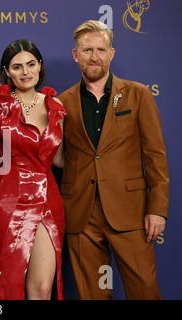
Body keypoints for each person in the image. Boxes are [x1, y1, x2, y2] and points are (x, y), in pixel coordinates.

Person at [58, 20, 169, 299]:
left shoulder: (138, 94)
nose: (94, 57)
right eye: (87, 50)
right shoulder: (62, 102)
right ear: (75, 55)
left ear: (111, 53)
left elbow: (155, 155)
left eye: (100, 49)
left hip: (130, 211)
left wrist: (157, 208)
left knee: (145, 290)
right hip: (82, 214)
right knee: (93, 294)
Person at [0, 39, 67, 300]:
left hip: (48, 199)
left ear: (40, 66)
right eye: (17, 67)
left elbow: (59, 160)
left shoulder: (57, 106)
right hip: (5, 201)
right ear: (7, 71)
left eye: (31, 64)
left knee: (42, 289)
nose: (25, 72)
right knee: (7, 283)